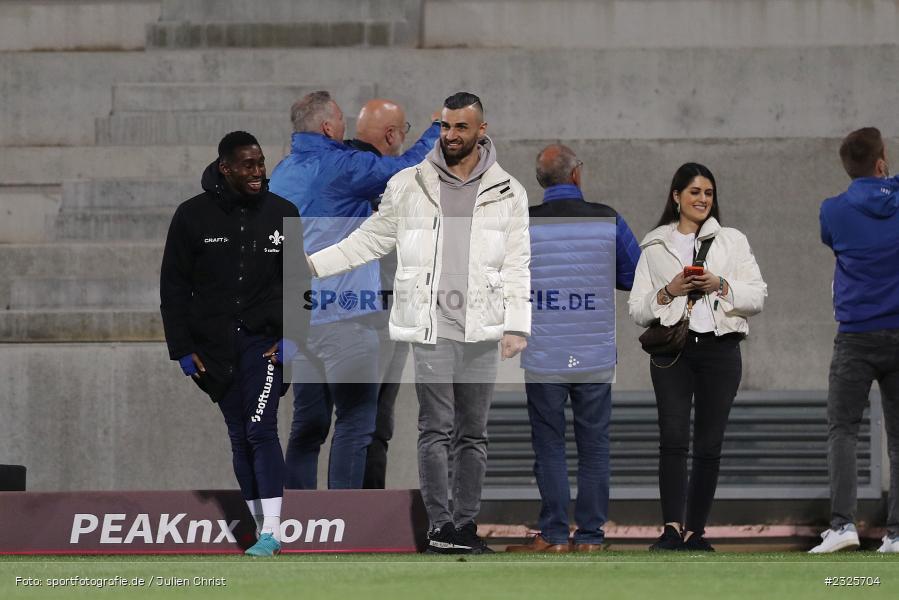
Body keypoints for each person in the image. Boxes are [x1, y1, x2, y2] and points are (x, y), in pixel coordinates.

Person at [308, 92, 531, 554]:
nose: (450, 135)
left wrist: (517, 325)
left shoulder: (509, 190)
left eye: (460, 128)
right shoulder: (409, 183)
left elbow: (517, 263)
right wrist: (310, 266)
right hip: (430, 326)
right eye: (446, 126)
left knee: (474, 433)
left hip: (482, 329)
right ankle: (439, 527)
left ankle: (465, 527)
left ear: (481, 131)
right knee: (436, 429)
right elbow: (369, 240)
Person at [269, 92, 439, 490]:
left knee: (307, 429)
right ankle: (340, 526)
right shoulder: (339, 166)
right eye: (341, 123)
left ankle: (298, 524)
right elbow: (407, 169)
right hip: (345, 318)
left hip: (299, 321)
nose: (346, 131)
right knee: (356, 423)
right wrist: (437, 129)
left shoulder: (283, 171)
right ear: (327, 126)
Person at [160, 131, 308, 557]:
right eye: (249, 165)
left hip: (265, 344)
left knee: (261, 429)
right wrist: (182, 349)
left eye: (261, 163)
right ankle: (261, 528)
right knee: (239, 434)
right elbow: (173, 287)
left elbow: (299, 281)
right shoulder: (191, 216)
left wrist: (293, 338)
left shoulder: (284, 212)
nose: (259, 172)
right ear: (226, 168)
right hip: (213, 350)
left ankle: (273, 532)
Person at [506, 144, 640, 553]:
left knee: (549, 445)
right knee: (594, 446)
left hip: (544, 352)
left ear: (541, 181)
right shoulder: (608, 218)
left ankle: (553, 535)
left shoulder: (522, 223)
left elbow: (506, 280)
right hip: (595, 353)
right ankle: (591, 538)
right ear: (576, 174)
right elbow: (636, 275)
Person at [628, 162, 766, 552]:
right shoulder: (654, 245)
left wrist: (720, 284)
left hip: (721, 350)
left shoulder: (733, 241)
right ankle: (671, 529)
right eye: (694, 192)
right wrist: (669, 291)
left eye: (708, 193)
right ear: (676, 197)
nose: (703, 199)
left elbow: (757, 296)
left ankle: (695, 532)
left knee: (710, 442)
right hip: (674, 352)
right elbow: (638, 310)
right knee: (672, 439)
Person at [811, 127, 899, 554]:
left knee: (843, 429)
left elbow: (836, 240)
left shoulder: (834, 210)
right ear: (882, 161)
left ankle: (844, 525)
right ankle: (897, 534)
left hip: (856, 336)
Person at [344, 100, 416, 489]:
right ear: (391, 135)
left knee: (363, 421)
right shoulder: (383, 177)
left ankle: (339, 519)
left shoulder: (338, 170)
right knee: (368, 422)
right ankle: (356, 516)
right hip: (375, 313)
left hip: (357, 310)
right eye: (405, 129)